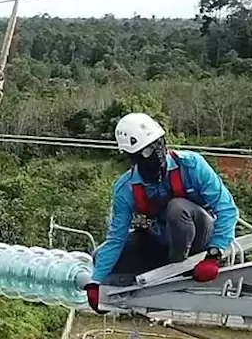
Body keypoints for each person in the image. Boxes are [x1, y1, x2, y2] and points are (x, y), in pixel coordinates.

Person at [85, 112, 239, 313]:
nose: (157, 154)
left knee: (177, 208)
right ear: (134, 157)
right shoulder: (126, 189)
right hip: (161, 241)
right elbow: (116, 239)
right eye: (148, 151)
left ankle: (177, 270)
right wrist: (95, 282)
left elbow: (226, 208)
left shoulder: (192, 165)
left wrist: (214, 253)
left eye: (159, 145)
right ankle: (142, 278)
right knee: (99, 257)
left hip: (198, 238)